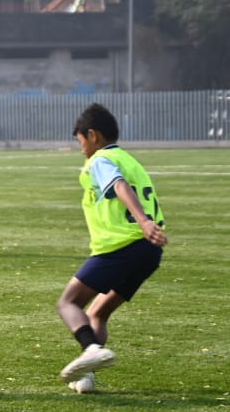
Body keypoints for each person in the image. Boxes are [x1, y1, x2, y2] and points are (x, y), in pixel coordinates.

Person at [56, 103, 167, 393]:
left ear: (92, 135)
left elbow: (118, 186)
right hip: (148, 251)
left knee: (68, 303)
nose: (80, 149)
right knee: (98, 313)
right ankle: (88, 376)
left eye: (80, 141)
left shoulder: (100, 160)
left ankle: (90, 349)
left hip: (121, 246)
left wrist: (142, 221)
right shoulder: (129, 159)